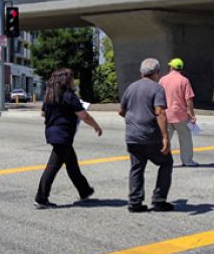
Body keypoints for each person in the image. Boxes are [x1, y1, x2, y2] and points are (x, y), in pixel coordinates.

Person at [34, 68, 103, 209]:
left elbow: (43, 114)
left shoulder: (50, 96)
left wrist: (57, 115)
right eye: (71, 78)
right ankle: (41, 198)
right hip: (63, 135)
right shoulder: (69, 96)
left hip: (53, 133)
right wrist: (96, 126)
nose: (73, 81)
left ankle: (84, 191)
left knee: (72, 164)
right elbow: (84, 116)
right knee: (52, 168)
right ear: (66, 80)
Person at [118, 58, 173, 213]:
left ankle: (135, 202)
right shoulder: (157, 89)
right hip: (150, 137)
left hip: (133, 136)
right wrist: (165, 137)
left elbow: (121, 111)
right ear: (157, 73)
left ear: (141, 73)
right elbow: (160, 112)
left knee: (136, 167)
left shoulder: (130, 88)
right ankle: (159, 200)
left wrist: (135, 120)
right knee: (166, 163)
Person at [159, 58, 198, 167]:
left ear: (171, 67)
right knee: (185, 138)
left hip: (166, 114)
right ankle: (187, 161)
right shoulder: (184, 80)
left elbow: (159, 97)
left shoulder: (163, 80)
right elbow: (189, 99)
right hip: (180, 115)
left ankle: (162, 159)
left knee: (165, 137)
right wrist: (192, 114)